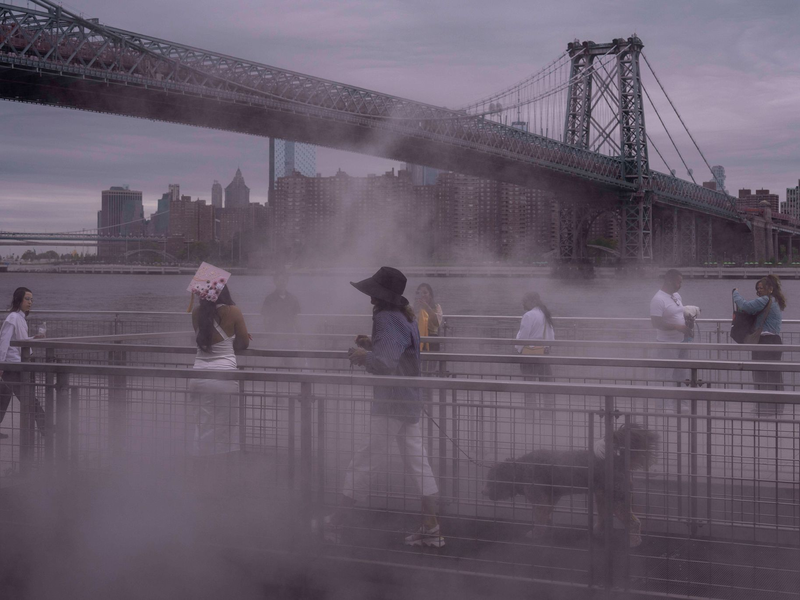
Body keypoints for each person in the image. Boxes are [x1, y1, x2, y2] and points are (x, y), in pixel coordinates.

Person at [322, 267, 443, 548]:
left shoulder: (387, 318)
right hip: (410, 400)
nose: (370, 299)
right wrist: (372, 345)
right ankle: (431, 527)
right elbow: (399, 352)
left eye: (373, 294)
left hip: (392, 403)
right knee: (418, 463)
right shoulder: (406, 315)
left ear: (380, 296)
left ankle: (336, 522)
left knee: (364, 461)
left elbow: (386, 364)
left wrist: (365, 357)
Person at [188, 264, 250, 456]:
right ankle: (222, 470)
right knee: (227, 427)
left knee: (202, 426)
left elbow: (203, 338)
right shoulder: (234, 311)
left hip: (198, 376)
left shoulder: (196, 313)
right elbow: (243, 344)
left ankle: (200, 467)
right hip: (224, 377)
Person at [733, 275, 786, 416]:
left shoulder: (765, 299)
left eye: (761, 288)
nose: (759, 291)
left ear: (770, 288)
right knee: (773, 375)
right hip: (774, 341)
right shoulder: (774, 300)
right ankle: (775, 408)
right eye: (758, 288)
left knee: (761, 375)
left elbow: (745, 306)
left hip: (765, 342)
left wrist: (735, 293)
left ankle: (764, 408)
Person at [0, 287, 47, 439]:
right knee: (29, 398)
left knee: (3, 398)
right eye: (27, 299)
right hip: (13, 366)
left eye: (31, 299)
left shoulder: (20, 318)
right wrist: (1, 365)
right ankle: (45, 427)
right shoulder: (13, 318)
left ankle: (45, 426)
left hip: (15, 365)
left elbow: (20, 341)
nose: (30, 302)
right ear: (18, 300)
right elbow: (4, 342)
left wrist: (34, 338)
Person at [650, 270, 690, 409]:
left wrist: (689, 317)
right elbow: (656, 323)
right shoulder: (658, 299)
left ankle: (680, 403)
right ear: (669, 281)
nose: (680, 285)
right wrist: (677, 327)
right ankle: (663, 405)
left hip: (681, 342)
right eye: (678, 282)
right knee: (665, 375)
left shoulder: (676, 296)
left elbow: (679, 312)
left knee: (680, 374)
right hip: (666, 344)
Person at [515, 292, 556, 416]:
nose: (523, 304)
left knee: (529, 385)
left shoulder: (529, 315)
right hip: (543, 354)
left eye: (524, 302)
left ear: (531, 302)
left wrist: (518, 349)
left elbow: (523, 337)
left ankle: (530, 413)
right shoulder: (545, 314)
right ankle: (548, 413)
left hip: (529, 356)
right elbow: (551, 337)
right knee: (546, 385)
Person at [414, 283, 444, 352]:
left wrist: (427, 308)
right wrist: (415, 309)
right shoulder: (414, 307)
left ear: (430, 295)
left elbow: (437, 322)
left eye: (425, 293)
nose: (423, 295)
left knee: (431, 361)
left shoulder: (437, 307)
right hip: (417, 339)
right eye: (420, 293)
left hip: (432, 340)